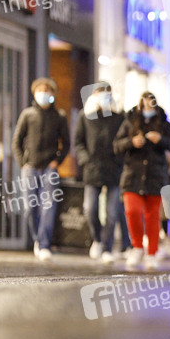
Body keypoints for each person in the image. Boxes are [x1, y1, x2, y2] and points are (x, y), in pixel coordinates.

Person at [114, 92, 170, 270]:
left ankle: (151, 252)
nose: (147, 109)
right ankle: (137, 247)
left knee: (152, 216)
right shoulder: (129, 121)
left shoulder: (163, 123)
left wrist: (160, 140)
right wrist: (131, 142)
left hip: (155, 176)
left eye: (150, 106)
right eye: (144, 106)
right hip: (132, 176)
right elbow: (117, 145)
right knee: (132, 211)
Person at [12, 77, 69, 261]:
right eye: (40, 90)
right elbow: (16, 141)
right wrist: (23, 162)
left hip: (49, 169)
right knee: (30, 207)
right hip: (30, 167)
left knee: (48, 206)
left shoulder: (59, 116)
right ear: (34, 93)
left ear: (52, 94)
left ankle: (44, 244)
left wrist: (57, 161)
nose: (44, 93)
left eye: (47, 90)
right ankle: (37, 238)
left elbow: (66, 143)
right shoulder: (27, 114)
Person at [75, 82, 126, 263]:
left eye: (107, 93)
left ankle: (107, 247)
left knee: (112, 213)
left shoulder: (119, 117)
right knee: (90, 209)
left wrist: (119, 160)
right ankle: (97, 239)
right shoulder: (85, 116)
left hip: (113, 170)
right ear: (94, 95)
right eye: (101, 93)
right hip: (92, 170)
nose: (104, 97)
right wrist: (85, 160)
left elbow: (123, 141)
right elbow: (78, 142)